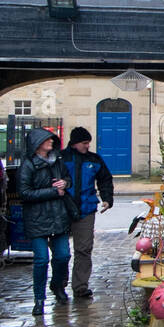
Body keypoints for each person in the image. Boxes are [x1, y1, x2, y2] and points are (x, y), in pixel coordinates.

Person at [18, 128, 75, 315]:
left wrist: (65, 183)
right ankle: (39, 299)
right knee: (41, 260)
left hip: (58, 216)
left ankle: (57, 285)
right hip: (37, 219)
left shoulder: (57, 161)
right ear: (38, 144)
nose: (51, 142)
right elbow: (24, 193)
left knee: (63, 256)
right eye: (47, 140)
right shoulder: (28, 165)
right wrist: (53, 191)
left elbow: (68, 179)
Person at [65, 126, 113, 300]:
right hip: (63, 210)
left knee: (84, 249)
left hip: (86, 209)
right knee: (61, 252)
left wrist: (107, 198)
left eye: (88, 143)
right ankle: (60, 285)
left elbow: (105, 179)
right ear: (75, 143)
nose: (87, 146)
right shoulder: (62, 159)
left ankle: (80, 286)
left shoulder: (94, 159)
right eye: (84, 143)